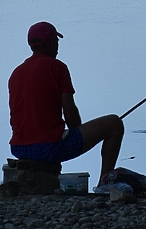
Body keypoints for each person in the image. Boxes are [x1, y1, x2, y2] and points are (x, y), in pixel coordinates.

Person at [8, 21, 125, 190]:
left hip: (18, 148)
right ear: (49, 43)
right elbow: (70, 114)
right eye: (56, 41)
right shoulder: (58, 68)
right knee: (114, 124)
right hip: (48, 148)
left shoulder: (16, 73)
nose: (57, 47)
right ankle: (104, 184)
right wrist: (78, 131)